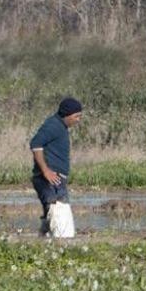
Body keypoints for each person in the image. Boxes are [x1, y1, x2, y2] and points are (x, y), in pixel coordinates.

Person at [29, 97, 83, 236]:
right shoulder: (53, 125)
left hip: (56, 180)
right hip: (50, 180)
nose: (78, 120)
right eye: (76, 116)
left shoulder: (60, 126)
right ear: (67, 114)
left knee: (52, 217)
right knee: (62, 222)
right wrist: (46, 171)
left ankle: (43, 243)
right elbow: (35, 144)